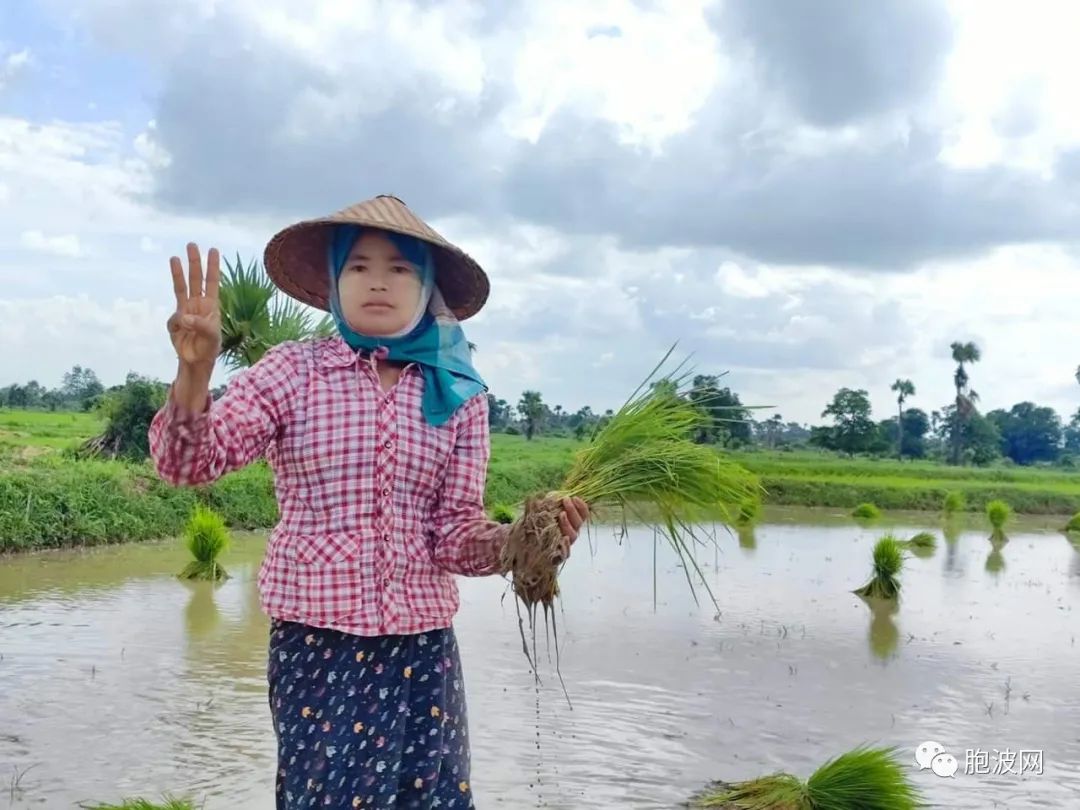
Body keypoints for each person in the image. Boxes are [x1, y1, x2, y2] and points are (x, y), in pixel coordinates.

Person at [148, 194, 589, 809]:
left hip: (422, 646)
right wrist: (193, 373)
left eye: (400, 268)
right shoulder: (292, 372)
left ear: (426, 284)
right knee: (324, 797)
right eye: (357, 266)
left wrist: (524, 543)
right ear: (333, 282)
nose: (377, 281)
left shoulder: (460, 394)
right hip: (318, 642)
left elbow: (453, 534)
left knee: (425, 797)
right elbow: (186, 463)